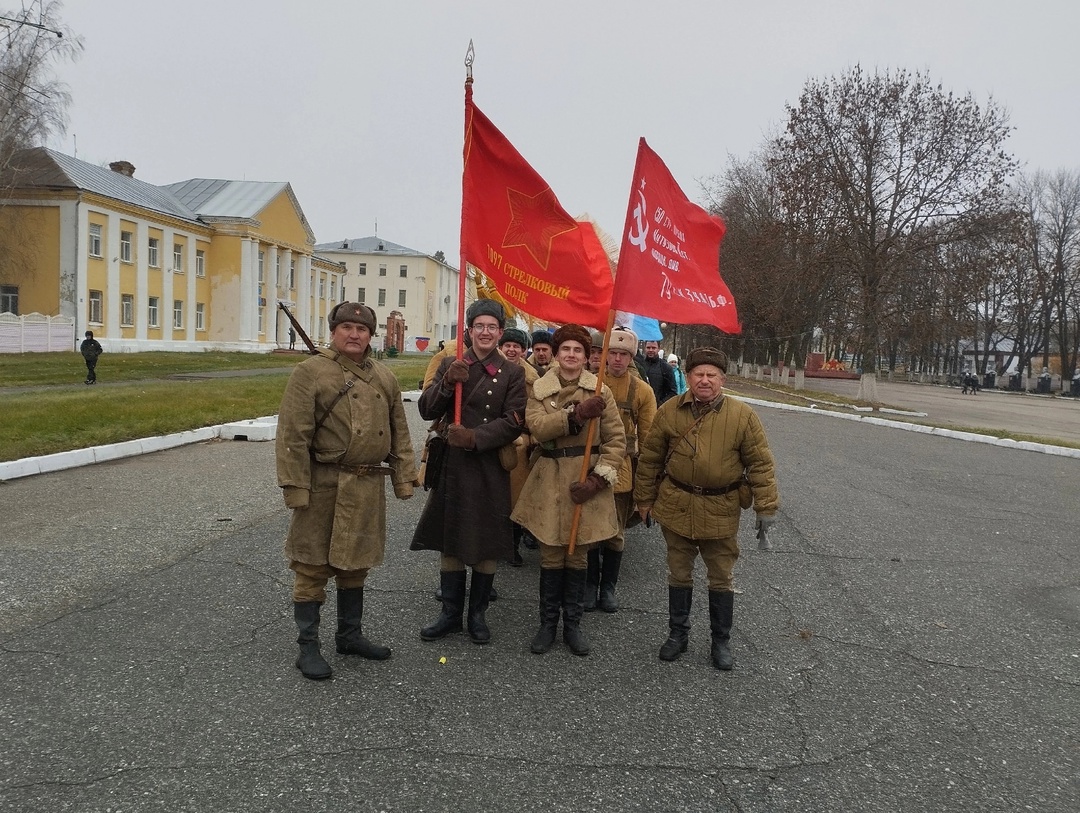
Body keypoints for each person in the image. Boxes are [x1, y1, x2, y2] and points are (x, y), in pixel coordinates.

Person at [276, 302, 417, 680]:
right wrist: (295, 488)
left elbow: (399, 431)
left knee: (356, 565)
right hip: (324, 486)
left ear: (372, 336)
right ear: (334, 331)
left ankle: (349, 635)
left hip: (367, 484)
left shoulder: (384, 377)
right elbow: (293, 435)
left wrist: (405, 476)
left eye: (362, 329)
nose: (354, 335)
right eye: (347, 327)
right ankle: (308, 647)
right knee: (312, 567)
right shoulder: (310, 373)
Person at [635, 347, 779, 671]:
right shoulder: (669, 411)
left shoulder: (743, 416)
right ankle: (677, 634)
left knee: (721, 577)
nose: (704, 380)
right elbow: (650, 460)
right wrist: (643, 500)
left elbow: (760, 465)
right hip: (676, 506)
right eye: (698, 374)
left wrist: (766, 508)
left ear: (722, 379)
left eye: (711, 375)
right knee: (679, 573)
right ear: (687, 378)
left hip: (721, 509)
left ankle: (721, 641)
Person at [411, 300, 527, 645]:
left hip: (488, 465)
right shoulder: (452, 362)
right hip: (453, 466)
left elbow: (515, 421)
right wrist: (447, 383)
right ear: (470, 330)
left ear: (500, 332)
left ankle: (477, 616)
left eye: (493, 326)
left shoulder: (513, 372)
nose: (486, 332)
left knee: (486, 541)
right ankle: (449, 615)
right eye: (480, 326)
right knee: (451, 538)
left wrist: (475, 437)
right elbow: (426, 409)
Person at [511, 324, 626, 656]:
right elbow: (538, 426)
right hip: (548, 478)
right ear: (557, 354)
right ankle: (547, 626)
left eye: (578, 350)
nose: (572, 356)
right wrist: (574, 416)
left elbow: (616, 441)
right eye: (566, 350)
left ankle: (572, 626)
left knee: (578, 556)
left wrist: (598, 479)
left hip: (584, 480)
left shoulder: (600, 391)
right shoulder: (540, 389)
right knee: (550, 554)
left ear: (587, 356)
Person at [585, 326, 657, 613]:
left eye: (623, 355)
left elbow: (650, 438)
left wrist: (648, 480)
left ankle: (608, 588)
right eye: (612, 353)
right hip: (589, 462)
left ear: (631, 358)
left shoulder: (643, 391)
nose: (616, 359)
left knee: (615, 530)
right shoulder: (590, 382)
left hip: (623, 467)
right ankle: (589, 585)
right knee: (590, 528)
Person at [498, 327, 540, 565]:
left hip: (521, 445)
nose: (512, 350)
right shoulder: (491, 370)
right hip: (492, 440)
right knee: (493, 497)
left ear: (524, 351)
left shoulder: (534, 380)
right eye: (508, 345)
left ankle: (512, 547)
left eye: (517, 346)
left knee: (517, 499)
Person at [641, 340, 678, 405]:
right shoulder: (639, 365)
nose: (651, 350)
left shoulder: (666, 367)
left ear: (658, 349)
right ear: (645, 348)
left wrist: (660, 404)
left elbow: (673, 392)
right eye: (648, 347)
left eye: (653, 348)